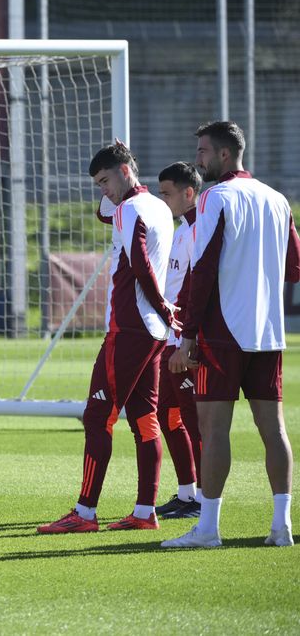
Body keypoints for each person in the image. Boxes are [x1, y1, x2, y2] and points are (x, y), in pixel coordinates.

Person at [163, 121, 299, 549]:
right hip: (269, 331)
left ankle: (208, 529)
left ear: (224, 155)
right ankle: (282, 527)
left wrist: (187, 337)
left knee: (213, 427)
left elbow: (202, 272)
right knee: (273, 427)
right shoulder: (277, 199)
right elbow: (294, 266)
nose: (198, 159)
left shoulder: (215, 198)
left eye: (203, 151)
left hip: (223, 332)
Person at [38, 141, 173, 535]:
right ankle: (145, 510)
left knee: (98, 417)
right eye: (98, 183)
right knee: (146, 421)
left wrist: (164, 306)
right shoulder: (155, 206)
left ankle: (84, 513)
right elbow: (104, 213)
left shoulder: (131, 208)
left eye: (106, 180)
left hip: (130, 328)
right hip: (151, 332)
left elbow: (140, 264)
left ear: (126, 171)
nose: (103, 190)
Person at [153, 162, 203, 519]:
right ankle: (187, 493)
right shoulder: (181, 228)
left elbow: (197, 290)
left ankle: (203, 496)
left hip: (184, 340)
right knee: (166, 413)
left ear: (188, 193)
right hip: (169, 337)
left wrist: (188, 338)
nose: (162, 200)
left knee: (192, 416)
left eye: (167, 193)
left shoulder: (200, 229)